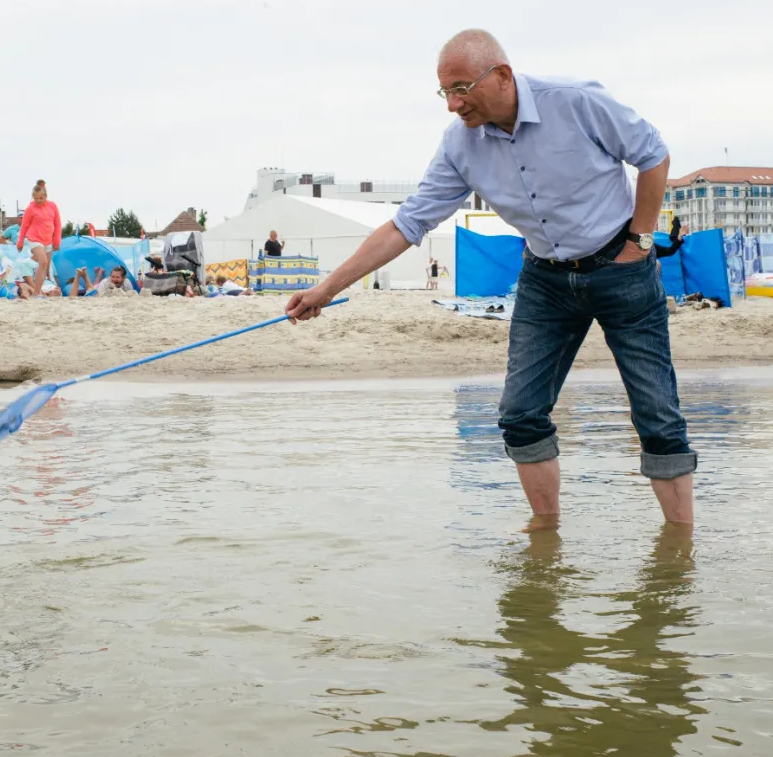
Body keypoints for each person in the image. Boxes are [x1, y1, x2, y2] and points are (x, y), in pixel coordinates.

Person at [285, 29, 695, 527]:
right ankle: (545, 538)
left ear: (501, 75)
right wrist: (326, 289)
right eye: (445, 92)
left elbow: (653, 154)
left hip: (623, 269)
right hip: (545, 280)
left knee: (657, 417)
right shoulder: (459, 144)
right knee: (520, 415)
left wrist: (640, 242)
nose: (453, 105)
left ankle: (680, 548)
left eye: (461, 89)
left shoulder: (575, 101)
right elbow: (406, 224)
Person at [17, 182, 61, 295]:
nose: (39, 201)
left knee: (46, 267)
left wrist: (57, 241)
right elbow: (24, 226)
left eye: (41, 198)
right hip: (34, 238)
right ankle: (37, 293)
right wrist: (20, 242)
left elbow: (57, 224)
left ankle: (40, 290)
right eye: (36, 198)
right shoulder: (30, 208)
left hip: (48, 240)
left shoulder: (52, 206)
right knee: (43, 261)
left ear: (46, 196)